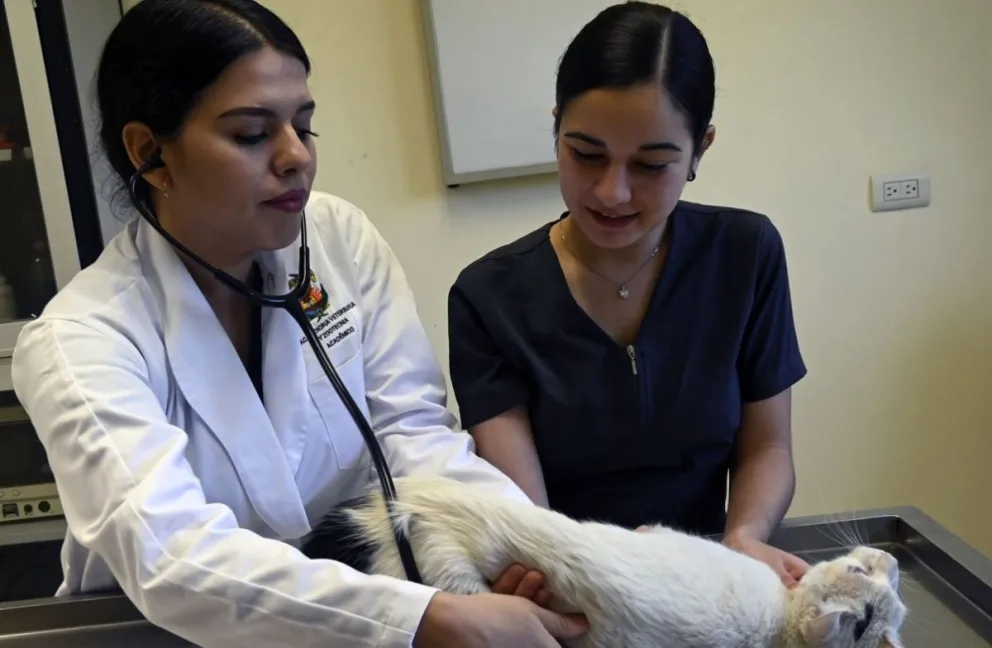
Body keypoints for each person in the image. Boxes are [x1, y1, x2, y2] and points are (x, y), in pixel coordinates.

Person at [9, 1, 587, 646]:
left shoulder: (339, 240)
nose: (296, 158)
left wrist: (539, 550)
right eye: (253, 134)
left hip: (355, 600)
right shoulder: (81, 340)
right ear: (151, 153)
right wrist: (422, 620)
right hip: (161, 632)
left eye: (303, 126)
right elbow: (170, 556)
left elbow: (411, 433)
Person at [447, 1, 810, 589]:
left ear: (700, 151)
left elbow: (768, 447)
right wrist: (578, 579)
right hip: (568, 585)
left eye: (652, 164)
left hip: (711, 578)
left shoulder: (745, 254)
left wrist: (742, 539)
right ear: (556, 128)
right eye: (585, 154)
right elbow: (530, 518)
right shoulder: (489, 295)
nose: (612, 192)